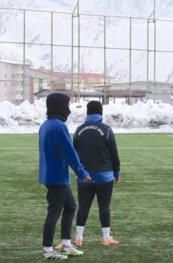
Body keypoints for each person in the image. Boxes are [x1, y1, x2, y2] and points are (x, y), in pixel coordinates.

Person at [39, 93, 91, 260]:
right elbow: (69, 152)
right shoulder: (58, 126)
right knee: (54, 212)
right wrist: (81, 172)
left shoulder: (46, 124)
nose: (68, 108)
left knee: (70, 207)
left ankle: (67, 244)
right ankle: (47, 250)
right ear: (60, 106)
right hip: (57, 177)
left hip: (50, 174)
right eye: (67, 104)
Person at [72, 100, 121, 247]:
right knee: (104, 206)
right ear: (101, 113)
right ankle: (106, 238)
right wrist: (116, 172)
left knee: (83, 206)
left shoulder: (79, 130)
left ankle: (79, 237)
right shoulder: (106, 130)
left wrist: (78, 171)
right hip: (104, 176)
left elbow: (74, 153)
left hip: (84, 176)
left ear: (87, 113)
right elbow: (114, 153)